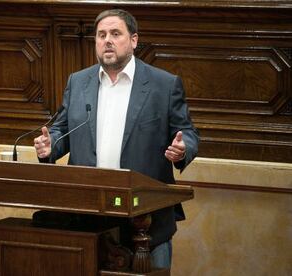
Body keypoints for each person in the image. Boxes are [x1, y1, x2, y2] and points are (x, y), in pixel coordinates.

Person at [34, 9, 199, 269]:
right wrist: (49, 145)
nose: (107, 40)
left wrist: (182, 149)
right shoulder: (78, 82)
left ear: (133, 40)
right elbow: (62, 129)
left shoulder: (164, 85)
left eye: (115, 33)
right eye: (101, 35)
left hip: (146, 219)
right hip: (88, 215)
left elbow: (188, 134)